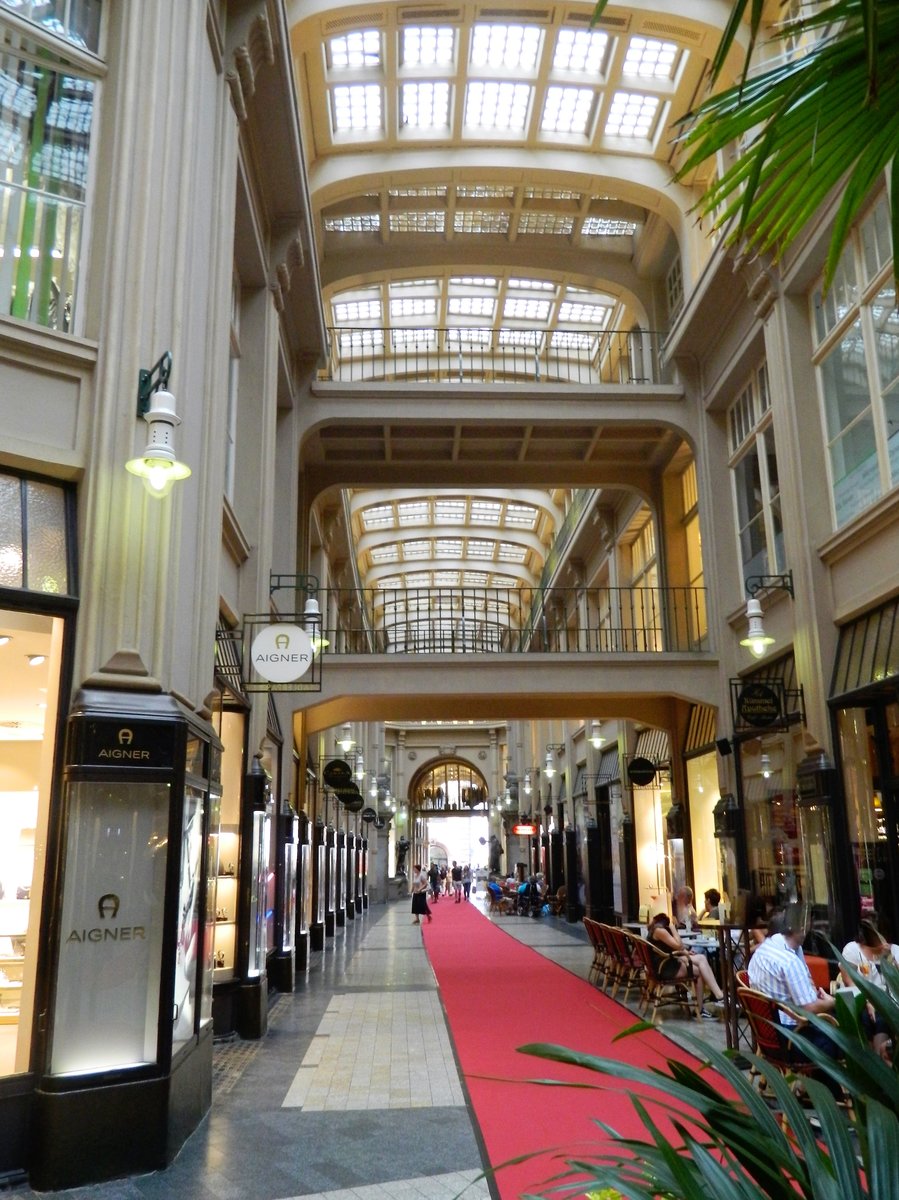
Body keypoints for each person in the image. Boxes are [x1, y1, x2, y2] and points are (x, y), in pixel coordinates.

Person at [747, 907, 839, 1063]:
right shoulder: (789, 961)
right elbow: (807, 1009)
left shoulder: (762, 951)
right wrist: (832, 1002)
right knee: (844, 1037)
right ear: (800, 929)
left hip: (767, 1035)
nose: (809, 930)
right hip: (791, 1038)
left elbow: (807, 984)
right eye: (807, 925)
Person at [840, 915, 899, 1059]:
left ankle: (881, 1059)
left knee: (885, 1015)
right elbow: (848, 980)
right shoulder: (853, 950)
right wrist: (868, 1000)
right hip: (863, 997)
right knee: (867, 1017)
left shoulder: (895, 950)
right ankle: (875, 1060)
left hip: (891, 1001)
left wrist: (892, 960)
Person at [648, 912, 725, 1018]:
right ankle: (703, 1006)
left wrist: (685, 952)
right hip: (666, 968)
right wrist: (673, 928)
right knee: (699, 971)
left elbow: (672, 947)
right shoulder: (660, 931)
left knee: (701, 958)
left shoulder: (655, 930)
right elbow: (678, 945)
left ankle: (717, 994)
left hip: (666, 962)